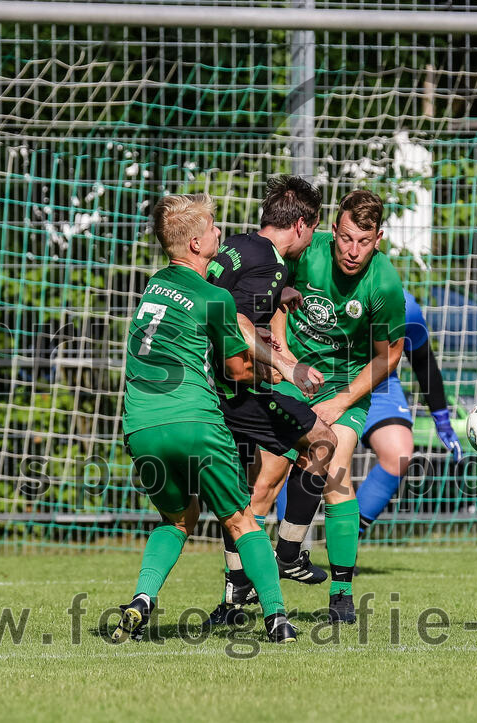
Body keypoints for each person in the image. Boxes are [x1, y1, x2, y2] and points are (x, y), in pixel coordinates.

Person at [114, 193, 296, 644]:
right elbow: (239, 358)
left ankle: (141, 601)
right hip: (193, 419)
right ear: (196, 244)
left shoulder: (154, 285)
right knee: (241, 520)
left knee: (177, 519)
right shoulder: (213, 296)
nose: (220, 232)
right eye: (214, 227)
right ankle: (277, 618)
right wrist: (288, 368)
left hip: (139, 425)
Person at [258, 189, 406, 623]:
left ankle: (341, 594)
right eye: (344, 238)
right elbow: (277, 296)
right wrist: (284, 359)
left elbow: (388, 355)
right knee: (263, 481)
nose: (352, 250)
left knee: (336, 468)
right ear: (333, 230)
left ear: (377, 238)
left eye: (363, 241)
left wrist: (341, 402)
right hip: (290, 377)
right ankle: (240, 592)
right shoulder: (306, 254)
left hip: (343, 388)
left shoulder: (384, 283)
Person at [203, 176, 339, 625]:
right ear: (301, 225)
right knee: (321, 441)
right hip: (242, 389)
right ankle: (288, 553)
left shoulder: (241, 245)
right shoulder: (274, 264)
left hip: (214, 389)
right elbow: (240, 317)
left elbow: (225, 292)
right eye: (315, 229)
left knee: (247, 494)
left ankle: (234, 595)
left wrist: (279, 297)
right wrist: (289, 369)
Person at [356, 288, 463, 535]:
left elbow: (423, 360)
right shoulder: (322, 284)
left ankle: (346, 541)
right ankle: (286, 551)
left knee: (399, 454)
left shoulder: (404, 305)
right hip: (325, 376)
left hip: (378, 382)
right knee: (309, 456)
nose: (354, 252)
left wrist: (442, 419)